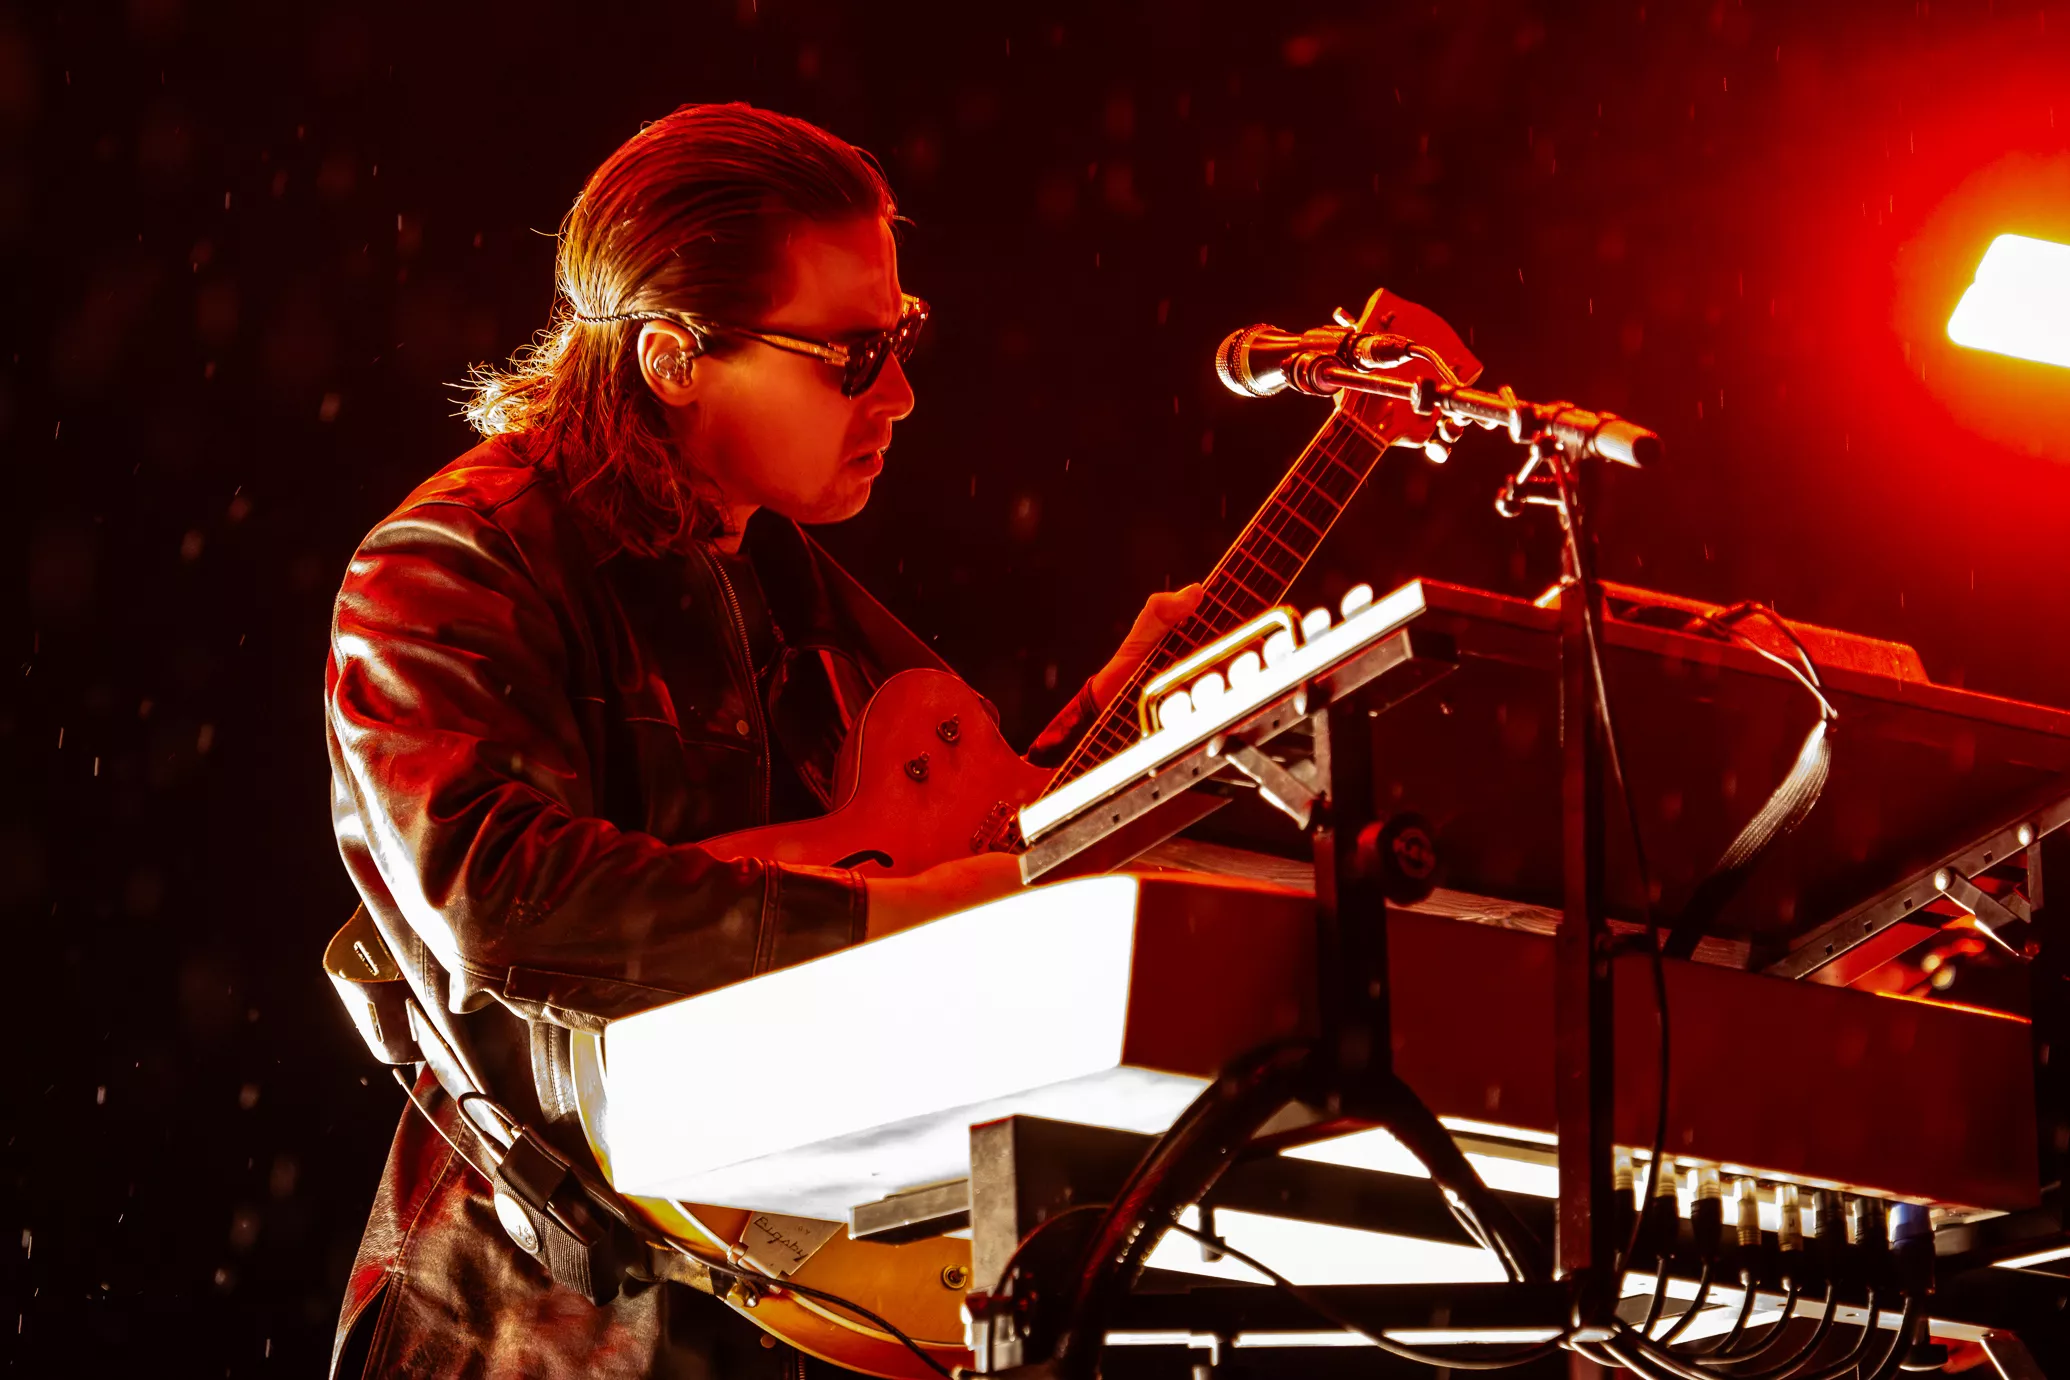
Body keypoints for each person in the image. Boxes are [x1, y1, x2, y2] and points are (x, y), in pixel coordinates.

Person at [323, 102, 1201, 1378]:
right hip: (538, 1322)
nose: (900, 393)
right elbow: (499, 896)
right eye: (853, 355)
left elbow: (957, 852)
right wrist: (897, 918)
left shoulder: (779, 576)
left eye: (903, 337)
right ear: (675, 357)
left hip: (792, 1285)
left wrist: (1139, 705)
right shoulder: (452, 562)